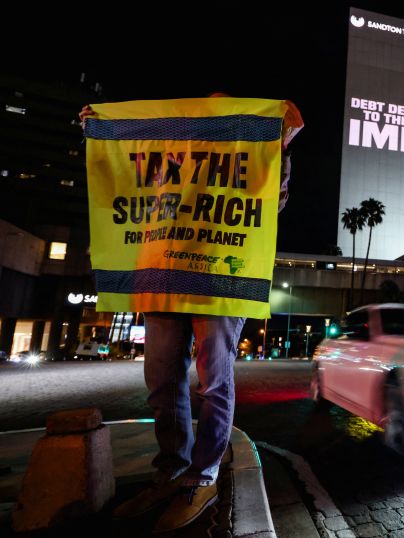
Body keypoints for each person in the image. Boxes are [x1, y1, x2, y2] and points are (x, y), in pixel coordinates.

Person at [79, 94, 301, 533]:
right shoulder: (165, 151)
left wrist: (271, 150)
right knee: (161, 380)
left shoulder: (259, 153)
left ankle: (204, 475)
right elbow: (125, 179)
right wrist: (101, 131)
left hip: (219, 277)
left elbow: (271, 206)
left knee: (214, 380)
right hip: (164, 272)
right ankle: (172, 470)